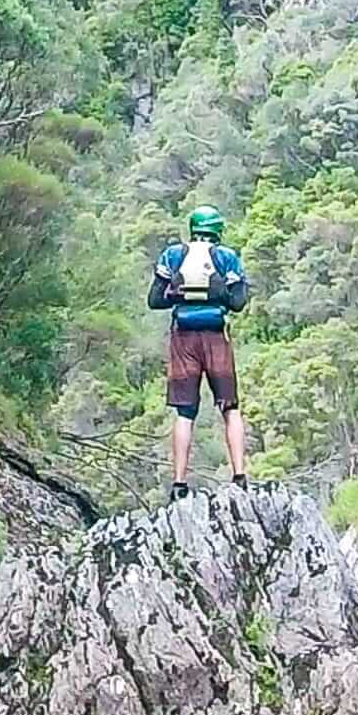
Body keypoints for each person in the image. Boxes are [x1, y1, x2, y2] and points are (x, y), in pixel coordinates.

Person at [149, 206, 251, 498]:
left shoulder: (173, 255)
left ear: (192, 229)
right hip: (216, 335)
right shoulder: (226, 257)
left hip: (183, 337)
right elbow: (238, 302)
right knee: (230, 407)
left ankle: (179, 484)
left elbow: (155, 300)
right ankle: (240, 476)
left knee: (185, 411)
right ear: (217, 230)